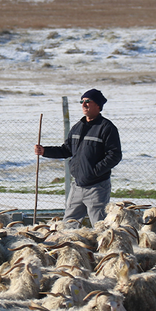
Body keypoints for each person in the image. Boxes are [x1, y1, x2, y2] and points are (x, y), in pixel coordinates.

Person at [34, 88, 122, 226]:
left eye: (88, 101)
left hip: (97, 187)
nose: (84, 104)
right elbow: (66, 150)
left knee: (100, 227)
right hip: (77, 186)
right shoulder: (77, 127)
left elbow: (115, 155)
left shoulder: (106, 128)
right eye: (82, 101)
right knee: (68, 225)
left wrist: (94, 172)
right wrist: (45, 151)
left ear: (98, 105)